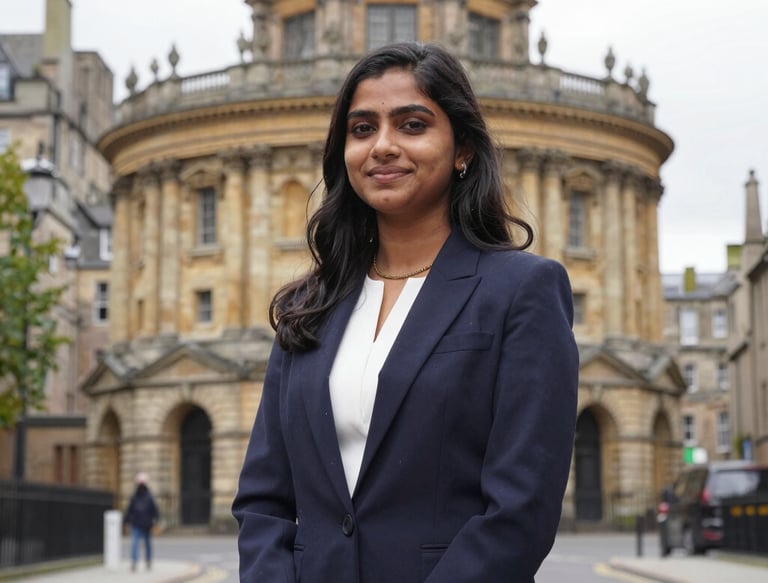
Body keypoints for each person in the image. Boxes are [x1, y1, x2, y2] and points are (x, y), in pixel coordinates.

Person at [232, 41, 579, 583]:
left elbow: (520, 511)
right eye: (363, 128)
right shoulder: (308, 306)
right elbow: (263, 499)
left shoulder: (522, 291)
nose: (383, 146)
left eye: (412, 125)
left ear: (462, 148)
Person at [124, 472, 159, 572]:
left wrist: (126, 522)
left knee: (139, 543)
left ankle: (139, 561)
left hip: (141, 523)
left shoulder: (137, 496)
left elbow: (129, 510)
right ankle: (143, 561)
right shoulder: (147, 496)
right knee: (143, 543)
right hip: (143, 523)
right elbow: (155, 510)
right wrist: (156, 521)